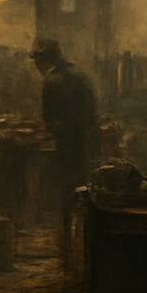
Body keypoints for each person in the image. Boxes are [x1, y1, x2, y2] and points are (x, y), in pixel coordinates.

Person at [28, 37, 98, 196]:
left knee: (64, 193)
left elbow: (49, 120)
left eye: (36, 59)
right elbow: (91, 112)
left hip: (63, 148)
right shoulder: (81, 76)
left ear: (42, 59)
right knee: (82, 192)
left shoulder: (51, 81)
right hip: (85, 146)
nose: (36, 64)